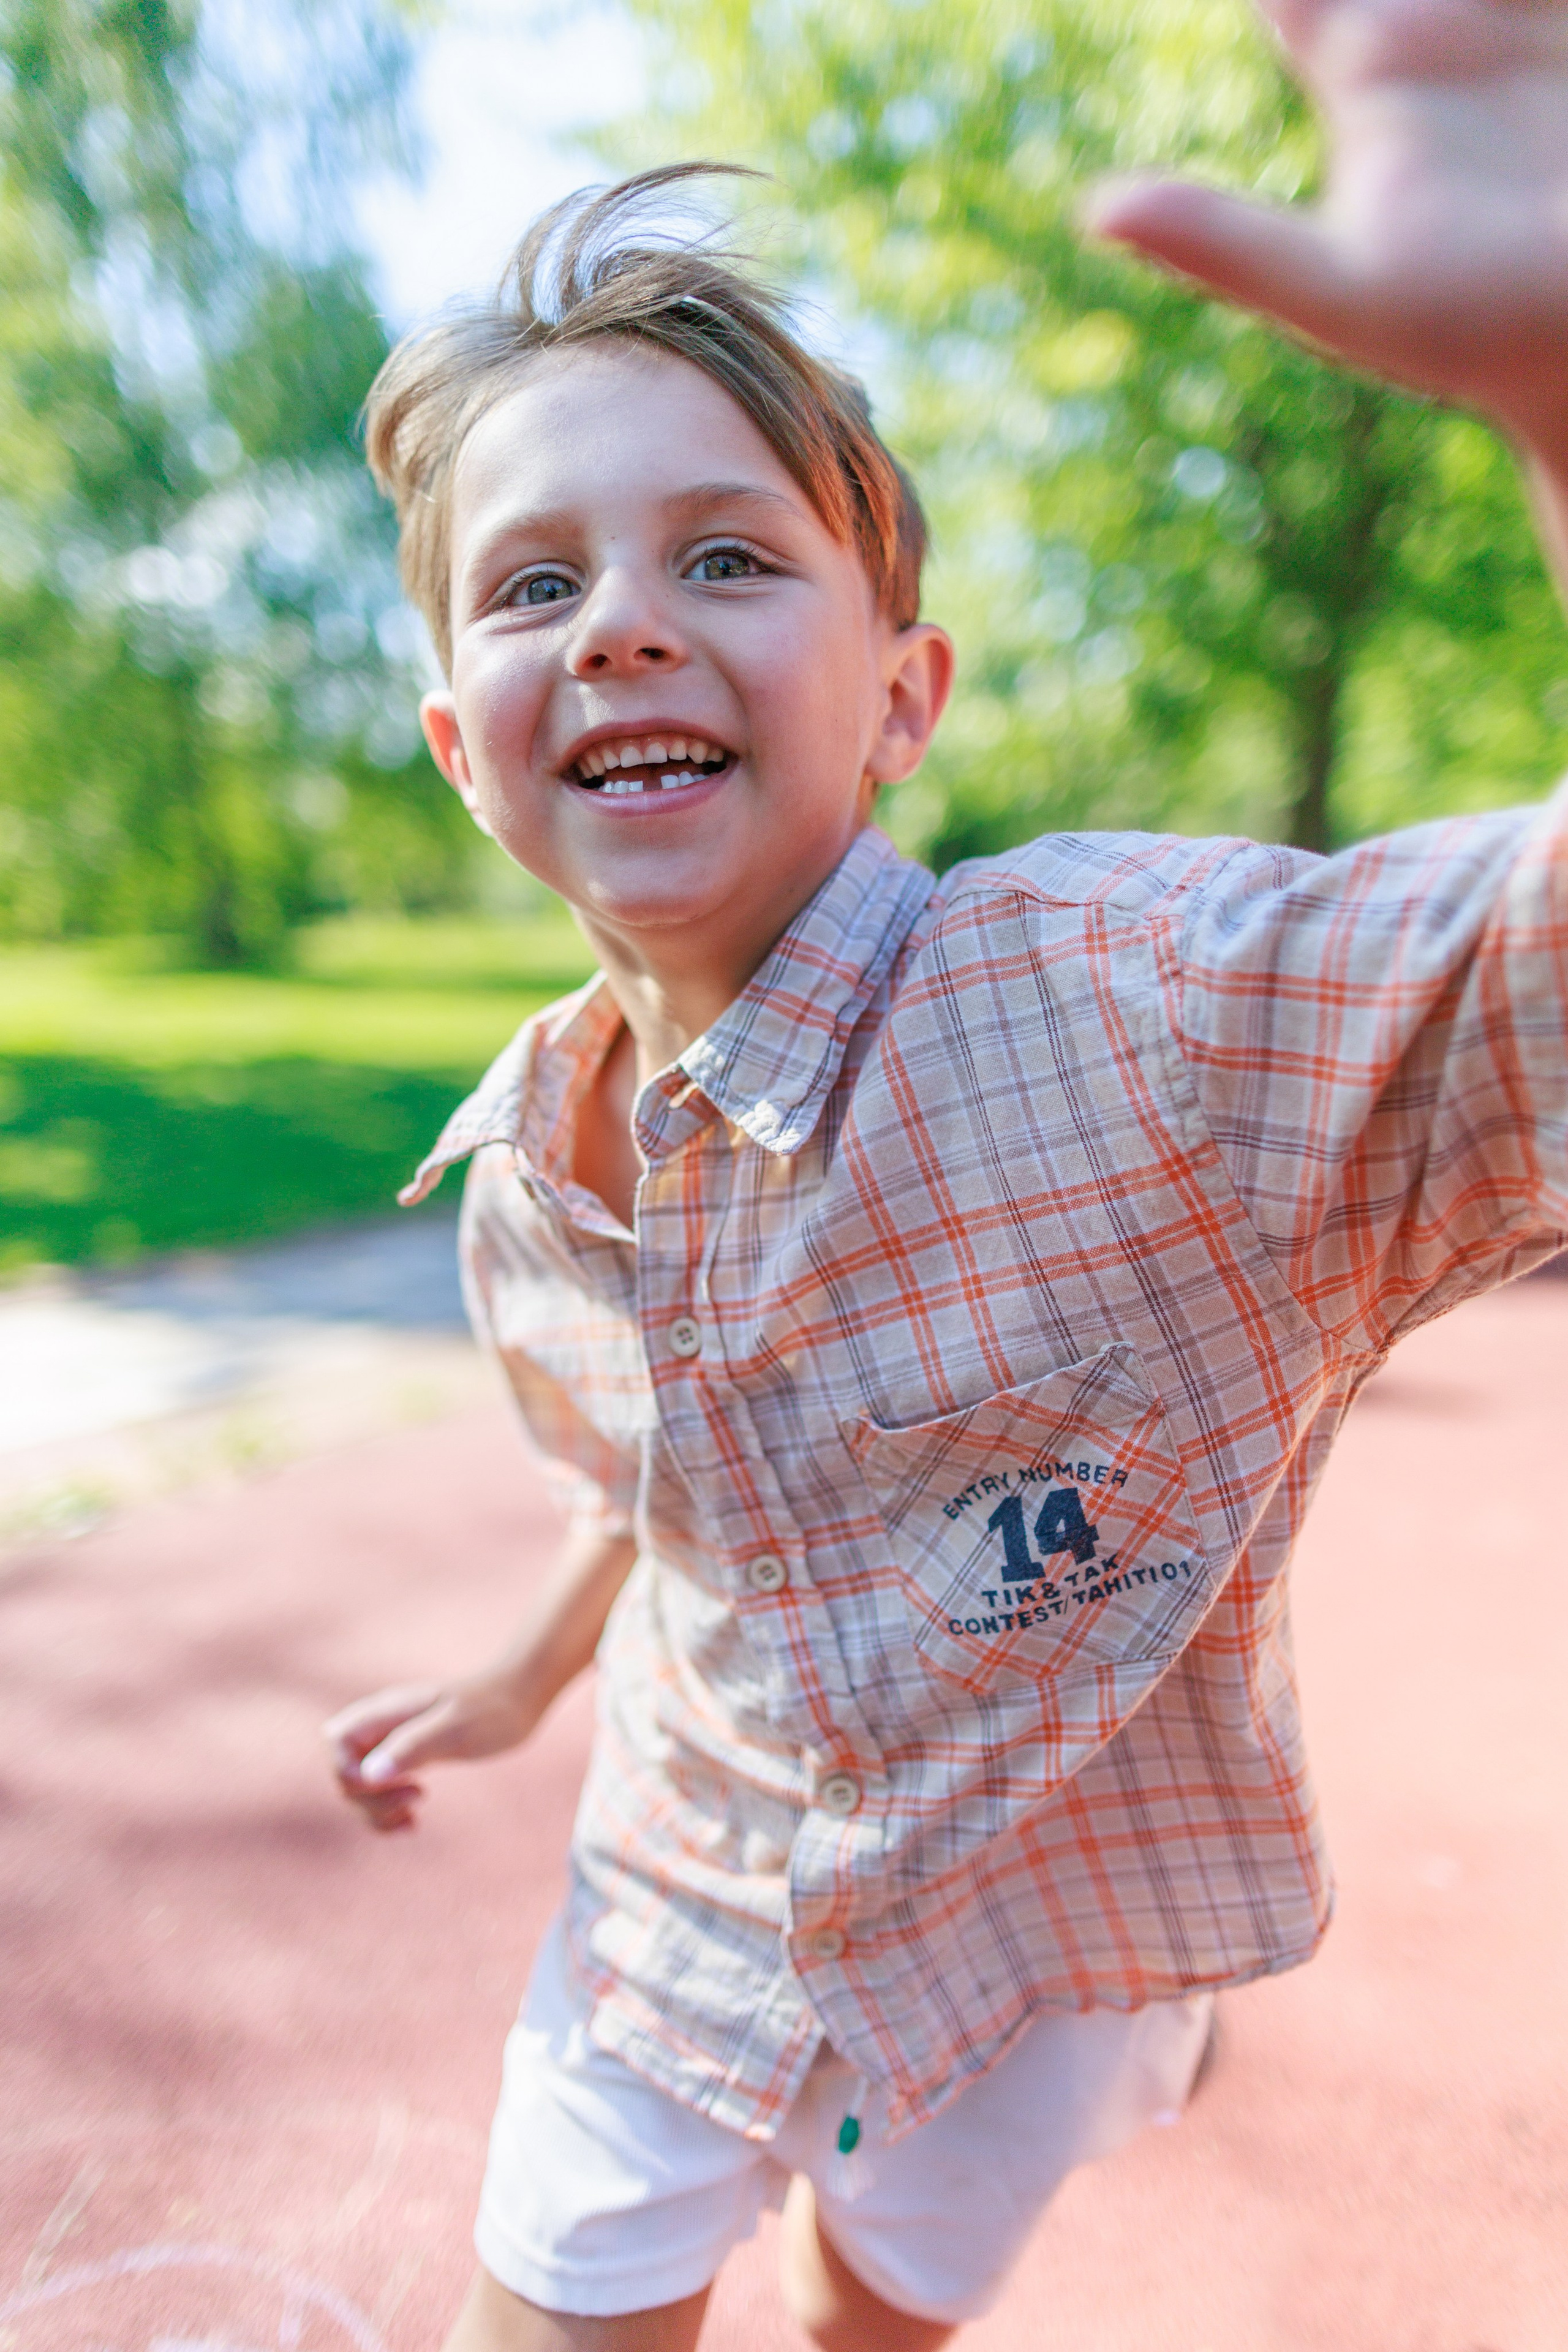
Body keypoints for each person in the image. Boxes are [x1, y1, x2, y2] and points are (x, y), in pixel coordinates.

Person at [325, 4, 1568, 2344]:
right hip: (672, 1895)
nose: (620, 623)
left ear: (903, 696)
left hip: (1030, 1938)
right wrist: (515, 1682)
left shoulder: (1128, 1008)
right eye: (529, 586)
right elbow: (667, 1487)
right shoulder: (530, 1169)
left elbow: (1539, 968)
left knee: (869, 2320)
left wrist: (1554, 396)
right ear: (461, 753)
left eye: (724, 553)